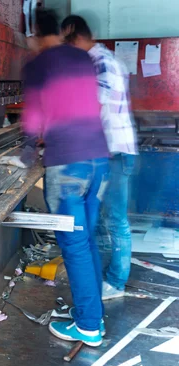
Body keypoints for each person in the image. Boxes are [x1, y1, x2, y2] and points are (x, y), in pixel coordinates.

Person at [22, 9, 109, 346]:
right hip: (98, 162)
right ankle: (92, 314)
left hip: (69, 167)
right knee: (86, 241)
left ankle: (89, 326)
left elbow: (33, 115)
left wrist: (27, 152)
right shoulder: (81, 57)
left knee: (73, 246)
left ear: (34, 34)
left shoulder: (37, 65)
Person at [61, 15, 138, 300]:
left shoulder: (101, 62)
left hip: (115, 152)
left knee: (116, 219)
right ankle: (107, 277)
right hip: (109, 150)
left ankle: (116, 283)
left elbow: (93, 107)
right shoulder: (103, 60)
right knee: (107, 218)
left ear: (77, 38)